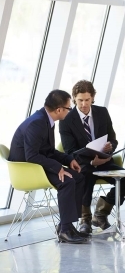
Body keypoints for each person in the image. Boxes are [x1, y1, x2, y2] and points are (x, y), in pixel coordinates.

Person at [8, 89, 87, 244]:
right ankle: (65, 230)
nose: (70, 111)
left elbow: (48, 150)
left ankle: (67, 225)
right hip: (28, 169)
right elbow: (31, 156)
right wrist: (58, 167)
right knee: (67, 181)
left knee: (79, 178)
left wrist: (68, 159)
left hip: (38, 164)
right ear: (59, 110)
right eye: (69, 108)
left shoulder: (47, 120)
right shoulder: (37, 123)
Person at [59, 80, 125, 234]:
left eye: (87, 100)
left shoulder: (102, 112)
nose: (84, 104)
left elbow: (113, 138)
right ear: (74, 99)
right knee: (86, 174)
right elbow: (70, 151)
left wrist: (110, 147)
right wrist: (92, 161)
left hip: (104, 161)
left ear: (93, 98)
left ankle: (101, 213)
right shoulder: (66, 119)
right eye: (80, 100)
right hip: (82, 164)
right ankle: (85, 219)